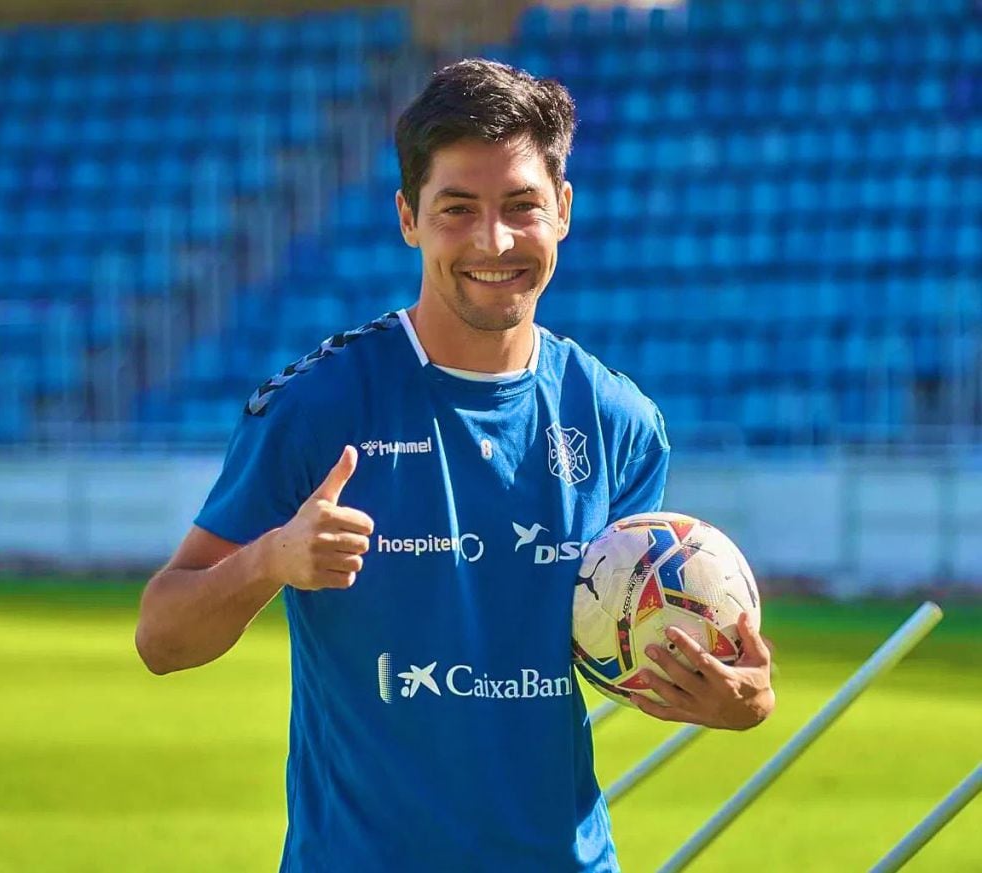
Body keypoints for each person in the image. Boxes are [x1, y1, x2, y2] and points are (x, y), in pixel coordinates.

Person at [135, 58, 774, 873]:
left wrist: (739, 692)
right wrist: (273, 558)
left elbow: (629, 637)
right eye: (457, 209)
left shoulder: (619, 420)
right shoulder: (317, 407)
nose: (493, 241)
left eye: (521, 207)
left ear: (564, 211)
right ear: (408, 217)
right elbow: (162, 636)